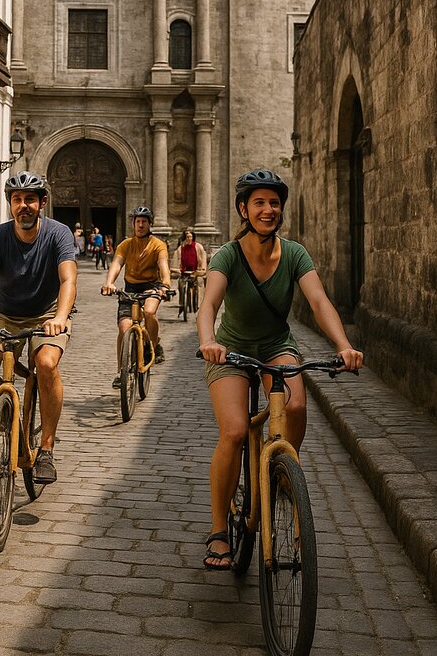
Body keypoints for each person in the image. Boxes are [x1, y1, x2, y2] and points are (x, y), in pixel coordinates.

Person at [197, 168, 363, 571]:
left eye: (274, 203)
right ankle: (219, 530)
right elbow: (209, 304)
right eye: (259, 203)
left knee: (296, 406)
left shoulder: (294, 254)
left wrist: (343, 345)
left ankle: (287, 470)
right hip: (231, 350)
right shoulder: (227, 255)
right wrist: (209, 341)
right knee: (235, 431)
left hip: (276, 346)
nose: (268, 210)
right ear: (244, 209)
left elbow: (319, 301)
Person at [0, 171, 77, 485]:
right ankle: (6, 414)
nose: (23, 205)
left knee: (46, 364)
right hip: (5, 314)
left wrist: (60, 317)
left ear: (42, 203)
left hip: (47, 314)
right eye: (17, 199)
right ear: (10, 204)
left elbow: (68, 279)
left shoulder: (58, 233)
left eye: (30, 199)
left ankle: (46, 448)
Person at [102, 206, 171, 386]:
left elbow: (163, 265)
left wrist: (165, 285)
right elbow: (117, 264)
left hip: (151, 287)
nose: (140, 225)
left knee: (149, 312)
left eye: (144, 222)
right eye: (137, 222)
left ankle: (152, 345)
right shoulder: (126, 244)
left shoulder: (158, 245)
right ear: (133, 224)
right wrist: (109, 282)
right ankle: (121, 371)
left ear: (150, 224)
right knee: (124, 328)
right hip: (130, 288)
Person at [172, 227, 207, 317]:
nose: (189, 239)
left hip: (195, 271)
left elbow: (203, 257)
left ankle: (199, 305)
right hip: (184, 272)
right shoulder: (181, 248)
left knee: (199, 284)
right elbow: (176, 260)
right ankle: (182, 304)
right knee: (181, 285)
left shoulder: (198, 247)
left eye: (190, 237)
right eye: (187, 237)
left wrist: (203, 269)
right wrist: (176, 269)